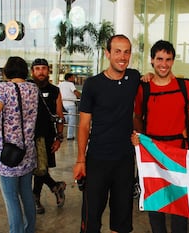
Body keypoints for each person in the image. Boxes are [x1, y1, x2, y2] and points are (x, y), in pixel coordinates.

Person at [73, 34, 141, 233]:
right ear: (107, 54)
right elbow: (84, 125)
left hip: (125, 161)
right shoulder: (93, 84)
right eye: (117, 51)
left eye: (127, 51)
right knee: (91, 218)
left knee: (122, 220)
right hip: (97, 160)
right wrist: (80, 160)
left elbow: (157, 82)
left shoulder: (134, 77)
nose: (122, 56)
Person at [132, 40, 189, 233]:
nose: (164, 64)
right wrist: (141, 140)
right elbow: (137, 118)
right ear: (152, 60)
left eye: (168, 59)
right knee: (156, 203)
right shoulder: (143, 87)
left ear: (173, 61)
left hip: (180, 152)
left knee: (180, 205)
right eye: (159, 59)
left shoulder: (185, 86)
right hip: (153, 155)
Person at [0, 56, 39, 233]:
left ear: (6, 71)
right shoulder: (33, 88)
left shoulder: (4, 88)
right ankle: (29, 229)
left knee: (11, 197)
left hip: (8, 153)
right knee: (27, 194)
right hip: (27, 150)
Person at [31, 58, 66, 214]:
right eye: (37, 68)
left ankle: (36, 199)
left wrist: (59, 137)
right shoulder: (27, 88)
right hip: (27, 136)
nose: (40, 72)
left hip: (46, 136)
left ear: (48, 71)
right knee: (37, 169)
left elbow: (59, 115)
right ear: (32, 71)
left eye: (44, 68)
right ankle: (55, 187)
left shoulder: (55, 90)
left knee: (41, 169)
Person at [58, 73, 81, 140]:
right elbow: (75, 92)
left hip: (62, 104)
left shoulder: (60, 84)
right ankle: (70, 136)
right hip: (71, 104)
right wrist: (82, 96)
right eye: (73, 77)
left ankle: (60, 134)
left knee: (62, 120)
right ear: (69, 78)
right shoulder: (71, 84)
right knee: (72, 121)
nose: (74, 79)